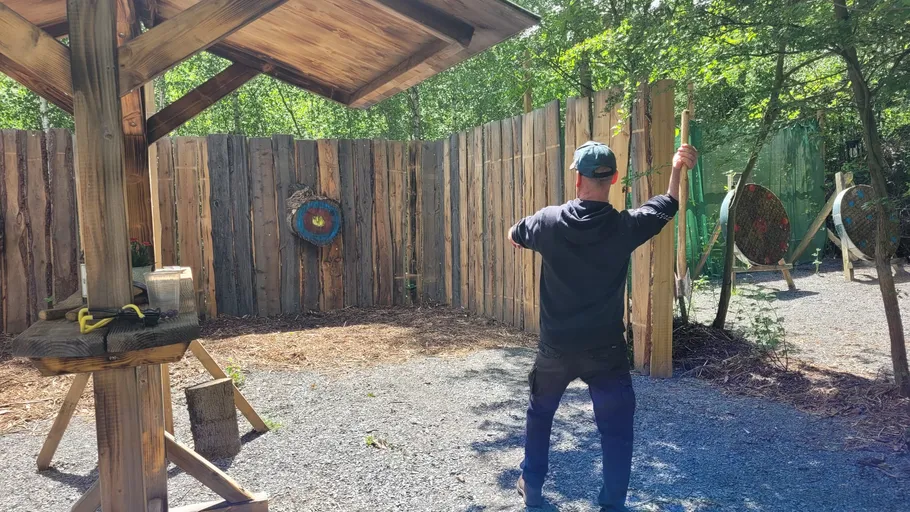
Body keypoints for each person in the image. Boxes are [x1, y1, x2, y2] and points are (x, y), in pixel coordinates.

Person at [508, 140, 698, 510]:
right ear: (612, 178)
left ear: (578, 179)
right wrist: (676, 169)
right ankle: (612, 504)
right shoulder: (625, 227)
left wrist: (523, 238)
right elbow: (667, 205)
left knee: (540, 414)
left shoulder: (547, 222)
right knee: (616, 431)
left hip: (556, 349)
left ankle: (531, 487)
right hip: (605, 352)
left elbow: (515, 234)